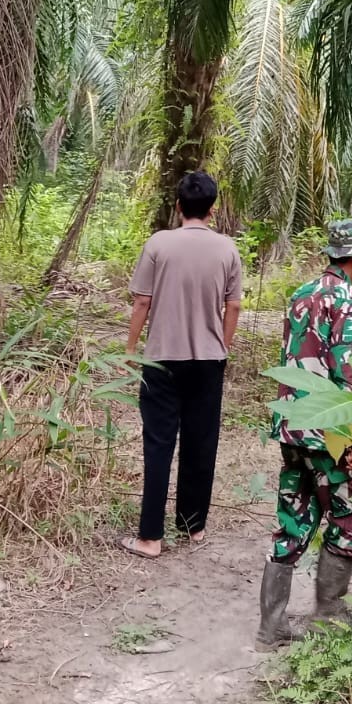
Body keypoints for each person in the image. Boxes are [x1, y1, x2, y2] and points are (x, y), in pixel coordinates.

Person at [256, 217, 352, 650]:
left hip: (292, 425)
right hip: (328, 431)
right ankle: (329, 612)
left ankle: (271, 626)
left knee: (293, 518)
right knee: (350, 517)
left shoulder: (302, 293)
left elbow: (293, 360)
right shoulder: (347, 299)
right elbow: (346, 370)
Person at [121, 170, 243, 559]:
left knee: (159, 443)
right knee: (201, 442)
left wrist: (130, 348)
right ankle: (193, 526)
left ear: (177, 205)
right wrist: (221, 345)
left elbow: (142, 301)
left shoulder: (158, 244)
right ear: (213, 209)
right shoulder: (227, 249)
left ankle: (150, 537)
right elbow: (234, 305)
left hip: (161, 359)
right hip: (209, 360)